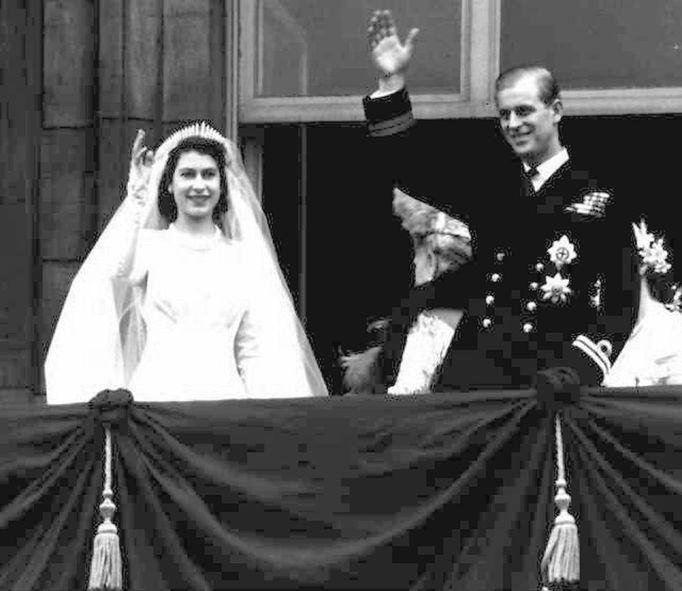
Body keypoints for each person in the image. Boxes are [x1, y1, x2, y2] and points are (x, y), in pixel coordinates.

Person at [360, 10, 634, 392]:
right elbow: (408, 169)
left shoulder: (600, 195)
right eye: (503, 114)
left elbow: (620, 306)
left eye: (524, 111)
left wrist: (576, 373)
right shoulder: (491, 185)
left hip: (548, 383)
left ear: (555, 111)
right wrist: (392, 81)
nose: (512, 124)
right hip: (471, 378)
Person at [45, 122, 328, 403]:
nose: (199, 185)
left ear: (222, 184)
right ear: (169, 184)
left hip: (224, 405)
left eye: (208, 175)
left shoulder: (244, 258)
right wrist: (137, 196)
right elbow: (110, 274)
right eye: (187, 174)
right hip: (155, 405)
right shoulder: (149, 247)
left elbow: (253, 347)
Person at [341, 188, 472, 394]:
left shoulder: (427, 312)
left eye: (417, 249)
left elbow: (409, 394)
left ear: (430, 256)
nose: (413, 260)